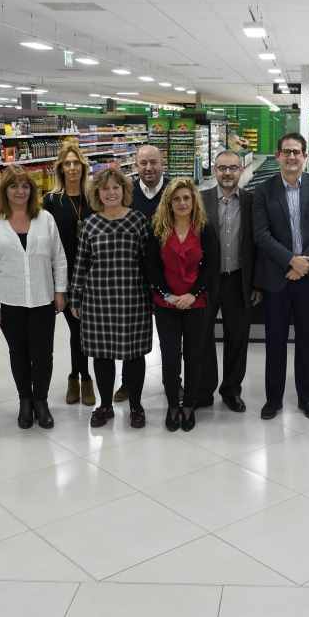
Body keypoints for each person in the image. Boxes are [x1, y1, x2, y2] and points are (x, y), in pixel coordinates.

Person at [252, 132, 309, 421]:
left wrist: (304, 263)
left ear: (305, 156)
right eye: (286, 151)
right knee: (274, 341)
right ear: (278, 156)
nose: (291, 157)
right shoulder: (263, 191)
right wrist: (291, 260)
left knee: (306, 341)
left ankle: (307, 398)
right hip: (277, 278)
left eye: (296, 152)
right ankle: (273, 399)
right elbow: (261, 234)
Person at [0, 166, 67, 431]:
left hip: (42, 299)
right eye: (14, 186)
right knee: (18, 353)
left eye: (25, 186)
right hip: (10, 300)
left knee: (43, 354)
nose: (20, 191)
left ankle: (41, 400)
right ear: (5, 191)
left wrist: (60, 291)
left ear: (32, 190)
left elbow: (58, 258)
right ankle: (25, 401)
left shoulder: (46, 219)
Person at [70, 167, 152, 430]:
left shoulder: (139, 220)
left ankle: (136, 406)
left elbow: (147, 262)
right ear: (98, 193)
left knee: (134, 355)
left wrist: (152, 296)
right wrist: (75, 298)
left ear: (124, 190)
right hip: (98, 301)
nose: (111, 192)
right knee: (102, 355)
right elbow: (81, 264)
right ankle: (105, 405)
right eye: (105, 189)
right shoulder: (89, 224)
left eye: (116, 187)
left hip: (133, 299)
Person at [145, 178, 219, 432]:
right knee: (170, 358)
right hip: (166, 303)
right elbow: (152, 267)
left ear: (194, 200)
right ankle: (172, 405)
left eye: (187, 198)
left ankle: (189, 404)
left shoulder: (204, 229)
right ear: (169, 202)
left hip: (196, 302)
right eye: (177, 199)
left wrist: (193, 294)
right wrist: (167, 295)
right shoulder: (158, 229)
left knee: (194, 356)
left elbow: (211, 267)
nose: (182, 203)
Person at [199, 150, 257, 413]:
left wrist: (256, 283)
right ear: (214, 170)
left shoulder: (251, 202)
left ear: (241, 170)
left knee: (237, 338)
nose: (227, 173)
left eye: (233, 168)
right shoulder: (200, 200)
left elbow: (257, 246)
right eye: (222, 168)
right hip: (207, 282)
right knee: (203, 337)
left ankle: (232, 389)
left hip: (238, 281)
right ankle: (205, 388)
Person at [111, 142, 169, 405]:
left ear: (162, 164)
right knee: (130, 334)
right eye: (143, 163)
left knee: (170, 337)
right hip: (132, 278)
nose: (148, 168)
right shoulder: (127, 193)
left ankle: (172, 382)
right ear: (135, 166)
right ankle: (127, 383)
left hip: (168, 277)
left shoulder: (173, 191)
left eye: (153, 162)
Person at [43, 144, 95, 408]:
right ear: (61, 168)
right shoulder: (51, 201)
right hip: (63, 276)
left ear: (83, 167)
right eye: (67, 164)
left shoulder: (94, 197)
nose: (72, 168)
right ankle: (78, 377)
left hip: (91, 276)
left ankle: (83, 377)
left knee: (85, 330)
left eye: (76, 163)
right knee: (76, 330)